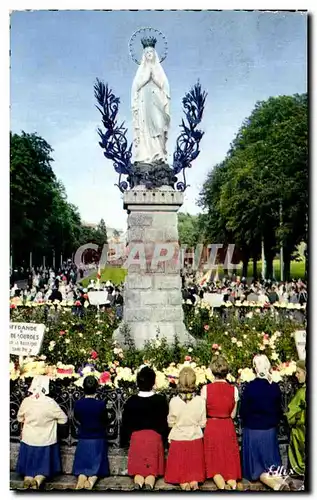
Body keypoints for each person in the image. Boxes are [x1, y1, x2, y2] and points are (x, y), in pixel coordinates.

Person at [240, 355, 284, 490]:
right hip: (269, 432)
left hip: (252, 432)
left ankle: (277, 485)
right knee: (272, 467)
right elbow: (279, 410)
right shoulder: (274, 387)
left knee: (256, 471)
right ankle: (281, 483)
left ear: (255, 368)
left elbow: (243, 412)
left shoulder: (250, 388)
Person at [121, 366, 169, 490]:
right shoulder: (160, 400)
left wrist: (124, 442)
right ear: (153, 382)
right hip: (154, 439)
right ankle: (148, 485)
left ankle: (138, 484)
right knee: (151, 472)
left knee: (139, 471)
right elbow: (164, 424)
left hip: (137, 439)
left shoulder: (131, 401)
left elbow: (125, 424)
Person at [16, 375, 67, 489]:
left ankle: (28, 479)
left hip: (29, 440)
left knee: (28, 470)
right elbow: (63, 419)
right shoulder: (50, 402)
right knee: (43, 470)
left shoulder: (26, 401)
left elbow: (19, 418)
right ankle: (38, 481)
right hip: (46, 441)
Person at [201, 356, 241, 490]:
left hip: (212, 425)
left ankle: (223, 487)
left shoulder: (206, 389)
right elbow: (233, 414)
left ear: (212, 371)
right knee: (229, 462)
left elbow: (202, 412)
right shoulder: (233, 390)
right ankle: (233, 485)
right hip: (227, 425)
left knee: (214, 464)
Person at [164, 367, 206, 490]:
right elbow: (203, 423)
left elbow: (171, 423)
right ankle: (194, 484)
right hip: (195, 440)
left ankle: (185, 486)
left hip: (178, 441)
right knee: (194, 476)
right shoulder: (200, 401)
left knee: (181, 476)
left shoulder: (174, 401)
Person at [131, 39, 170, 164]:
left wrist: (154, 76)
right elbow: (135, 87)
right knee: (145, 129)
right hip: (144, 103)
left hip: (156, 101)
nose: (149, 54)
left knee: (158, 126)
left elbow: (165, 86)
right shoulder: (141, 71)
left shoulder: (158, 70)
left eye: (151, 52)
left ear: (154, 54)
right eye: (146, 52)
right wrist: (146, 77)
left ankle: (158, 153)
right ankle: (146, 154)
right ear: (144, 55)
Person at [72, 375, 109, 490]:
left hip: (84, 438)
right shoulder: (100, 404)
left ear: (83, 387)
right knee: (96, 467)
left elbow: (77, 417)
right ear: (96, 388)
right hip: (98, 438)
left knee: (82, 467)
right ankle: (91, 482)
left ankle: (81, 480)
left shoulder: (78, 404)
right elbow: (105, 420)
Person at [285, 360, 306, 478]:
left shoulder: (304, 392)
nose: (296, 375)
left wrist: (296, 416)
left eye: (298, 372)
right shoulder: (302, 390)